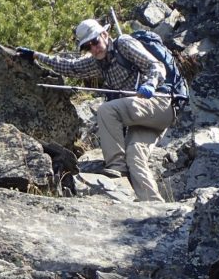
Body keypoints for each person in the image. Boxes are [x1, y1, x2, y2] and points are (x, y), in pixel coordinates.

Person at [16, 19, 182, 202]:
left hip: (159, 104)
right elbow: (70, 68)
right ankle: (154, 205)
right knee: (135, 156)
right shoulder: (97, 62)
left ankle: (116, 167)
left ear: (105, 34)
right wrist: (36, 56)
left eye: (95, 41)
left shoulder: (124, 44)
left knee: (106, 110)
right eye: (88, 47)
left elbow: (155, 66)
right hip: (142, 118)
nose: (94, 49)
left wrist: (151, 83)